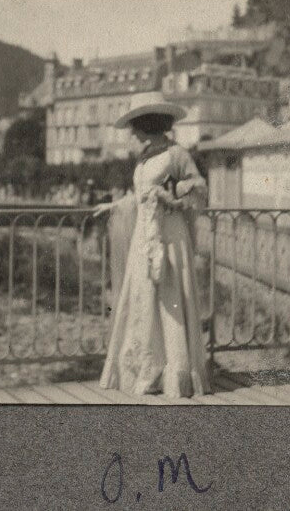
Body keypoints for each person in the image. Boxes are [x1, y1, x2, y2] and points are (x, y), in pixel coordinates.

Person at [93, 92, 211, 398]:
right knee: (144, 299)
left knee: (169, 298)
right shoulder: (145, 156)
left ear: (147, 124)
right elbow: (143, 194)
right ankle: (147, 371)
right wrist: (116, 206)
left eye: (135, 125)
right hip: (143, 237)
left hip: (169, 236)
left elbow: (199, 190)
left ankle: (175, 374)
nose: (132, 131)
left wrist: (174, 195)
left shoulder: (177, 154)